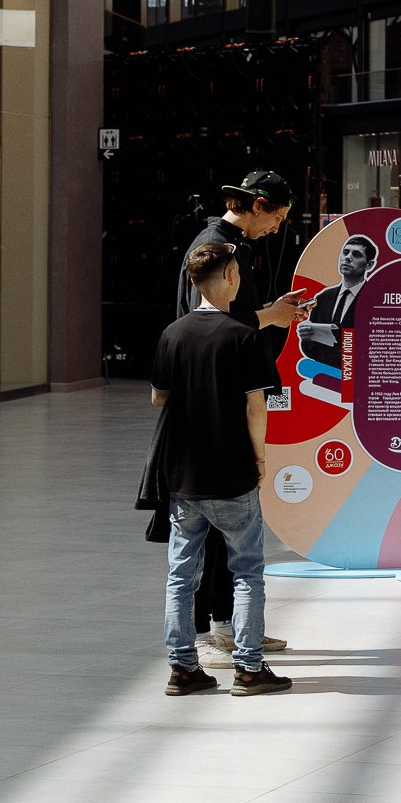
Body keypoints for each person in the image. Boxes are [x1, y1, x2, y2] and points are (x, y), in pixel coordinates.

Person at [150, 242, 292, 696]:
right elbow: (256, 406)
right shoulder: (244, 336)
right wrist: (261, 457)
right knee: (246, 569)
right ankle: (248, 667)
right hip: (231, 472)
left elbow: (158, 397)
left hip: (183, 476)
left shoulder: (173, 334)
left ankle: (182, 667)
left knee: (180, 574)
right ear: (230, 277)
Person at [176, 170, 306, 663]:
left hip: (214, 400)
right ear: (255, 206)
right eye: (276, 216)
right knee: (223, 526)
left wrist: (270, 311)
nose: (278, 227)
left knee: (207, 533)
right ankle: (224, 630)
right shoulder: (216, 247)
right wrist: (265, 318)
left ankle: (222, 625)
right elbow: (209, 324)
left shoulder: (230, 245)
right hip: (220, 404)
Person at [296, 233, 378, 370]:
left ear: (369, 265)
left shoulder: (375, 300)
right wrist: (307, 337)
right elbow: (310, 349)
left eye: (356, 254)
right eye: (345, 252)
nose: (348, 258)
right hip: (324, 378)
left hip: (361, 377)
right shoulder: (323, 297)